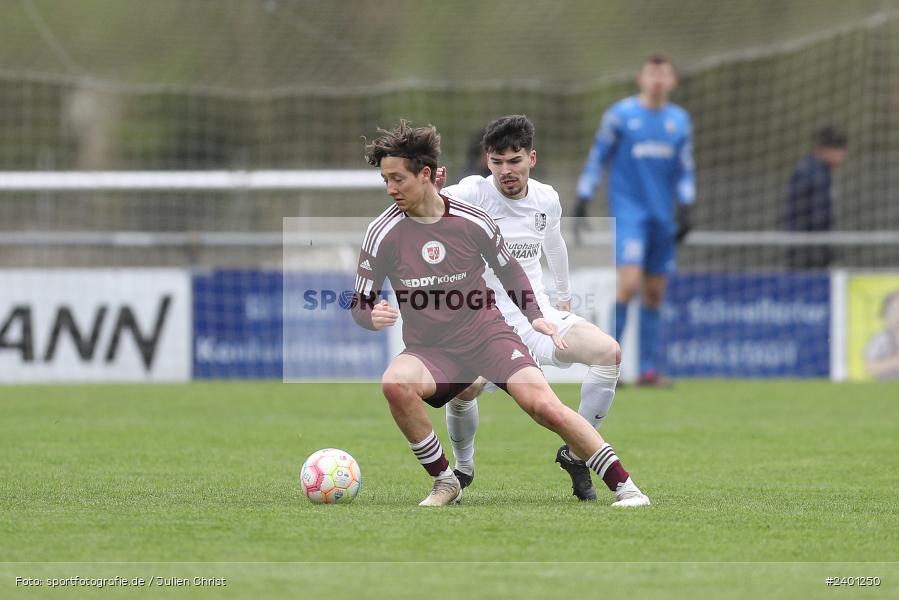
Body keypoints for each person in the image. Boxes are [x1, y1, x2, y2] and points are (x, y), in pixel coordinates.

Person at [351, 120, 650, 507]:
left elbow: (510, 270)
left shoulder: (473, 220)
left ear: (424, 175)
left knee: (544, 406)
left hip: (488, 334)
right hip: (431, 350)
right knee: (394, 384)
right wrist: (369, 315)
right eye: (385, 180)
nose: (391, 189)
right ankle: (446, 480)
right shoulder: (382, 232)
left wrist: (535, 313)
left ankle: (626, 487)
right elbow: (359, 300)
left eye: (398, 179)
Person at [436, 114, 622, 501]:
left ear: (531, 158)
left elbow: (554, 244)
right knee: (465, 389)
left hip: (536, 317)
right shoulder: (470, 192)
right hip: (481, 320)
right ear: (487, 160)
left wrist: (563, 296)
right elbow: (426, 208)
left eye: (515, 160)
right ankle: (463, 468)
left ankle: (577, 454)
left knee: (608, 353)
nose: (506, 170)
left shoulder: (546, 198)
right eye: (498, 161)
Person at [575, 53, 695, 386]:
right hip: (630, 214)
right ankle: (609, 364)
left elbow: (685, 169)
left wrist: (687, 205)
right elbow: (598, 157)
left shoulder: (680, 121)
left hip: (662, 216)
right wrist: (584, 194)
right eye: (651, 73)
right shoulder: (620, 116)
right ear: (641, 78)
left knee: (655, 293)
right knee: (628, 286)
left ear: (672, 81)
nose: (657, 80)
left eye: (663, 74)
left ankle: (647, 371)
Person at [784, 126, 848, 269]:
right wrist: (826, 253)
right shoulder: (815, 174)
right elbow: (818, 218)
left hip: (804, 249)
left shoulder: (811, 169)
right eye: (840, 150)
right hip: (808, 254)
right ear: (826, 150)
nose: (843, 155)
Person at [864, 290, 899, 380]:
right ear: (884, 316)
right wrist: (893, 363)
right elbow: (869, 366)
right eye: (894, 310)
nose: (897, 315)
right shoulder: (880, 340)